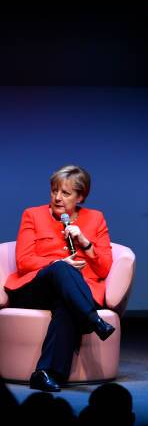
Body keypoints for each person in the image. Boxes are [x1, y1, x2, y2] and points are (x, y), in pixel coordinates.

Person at [4, 165, 115, 392]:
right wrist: (57, 264)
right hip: (36, 288)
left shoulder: (95, 219)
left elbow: (104, 269)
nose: (57, 198)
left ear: (81, 196)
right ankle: (93, 320)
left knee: (66, 304)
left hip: (75, 292)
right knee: (61, 269)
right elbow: (24, 261)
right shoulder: (32, 215)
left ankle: (44, 373)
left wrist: (85, 242)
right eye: (54, 191)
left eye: (65, 193)